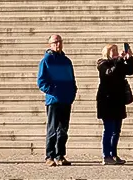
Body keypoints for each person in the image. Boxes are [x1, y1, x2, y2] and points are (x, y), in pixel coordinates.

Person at [37, 34, 76, 167]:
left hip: (66, 99)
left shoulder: (66, 61)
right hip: (54, 99)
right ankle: (50, 156)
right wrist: (52, 90)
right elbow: (41, 81)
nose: (58, 44)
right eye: (55, 42)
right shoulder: (46, 60)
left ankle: (60, 155)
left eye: (59, 41)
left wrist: (72, 92)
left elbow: (72, 79)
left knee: (63, 129)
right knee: (52, 129)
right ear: (50, 45)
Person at [96, 43, 133, 165]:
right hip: (107, 101)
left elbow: (131, 70)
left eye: (116, 50)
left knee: (116, 130)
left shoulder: (118, 63)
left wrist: (130, 58)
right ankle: (106, 155)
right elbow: (110, 73)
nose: (115, 52)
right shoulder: (102, 63)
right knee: (108, 129)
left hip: (118, 100)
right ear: (107, 52)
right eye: (112, 50)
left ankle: (114, 154)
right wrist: (119, 60)